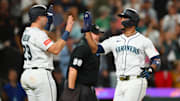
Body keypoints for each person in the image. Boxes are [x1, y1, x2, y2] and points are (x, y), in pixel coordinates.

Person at [85, 9, 161, 101]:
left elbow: (156, 59)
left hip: (136, 81)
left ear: (132, 20)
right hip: (120, 82)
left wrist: (151, 68)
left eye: (124, 18)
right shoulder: (114, 40)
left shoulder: (143, 40)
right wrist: (87, 32)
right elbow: (95, 49)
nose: (121, 20)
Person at [20, 5, 74, 101]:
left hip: (27, 75)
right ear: (39, 18)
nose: (47, 18)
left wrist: (48, 23)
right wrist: (68, 30)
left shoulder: (27, 32)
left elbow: (43, 36)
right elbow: (56, 50)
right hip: (41, 75)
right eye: (45, 16)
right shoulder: (38, 34)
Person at [60, 24, 103, 101]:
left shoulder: (94, 50)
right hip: (79, 89)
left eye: (98, 34)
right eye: (95, 34)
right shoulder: (82, 48)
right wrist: (71, 91)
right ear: (87, 34)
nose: (98, 37)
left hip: (89, 89)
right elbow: (73, 69)